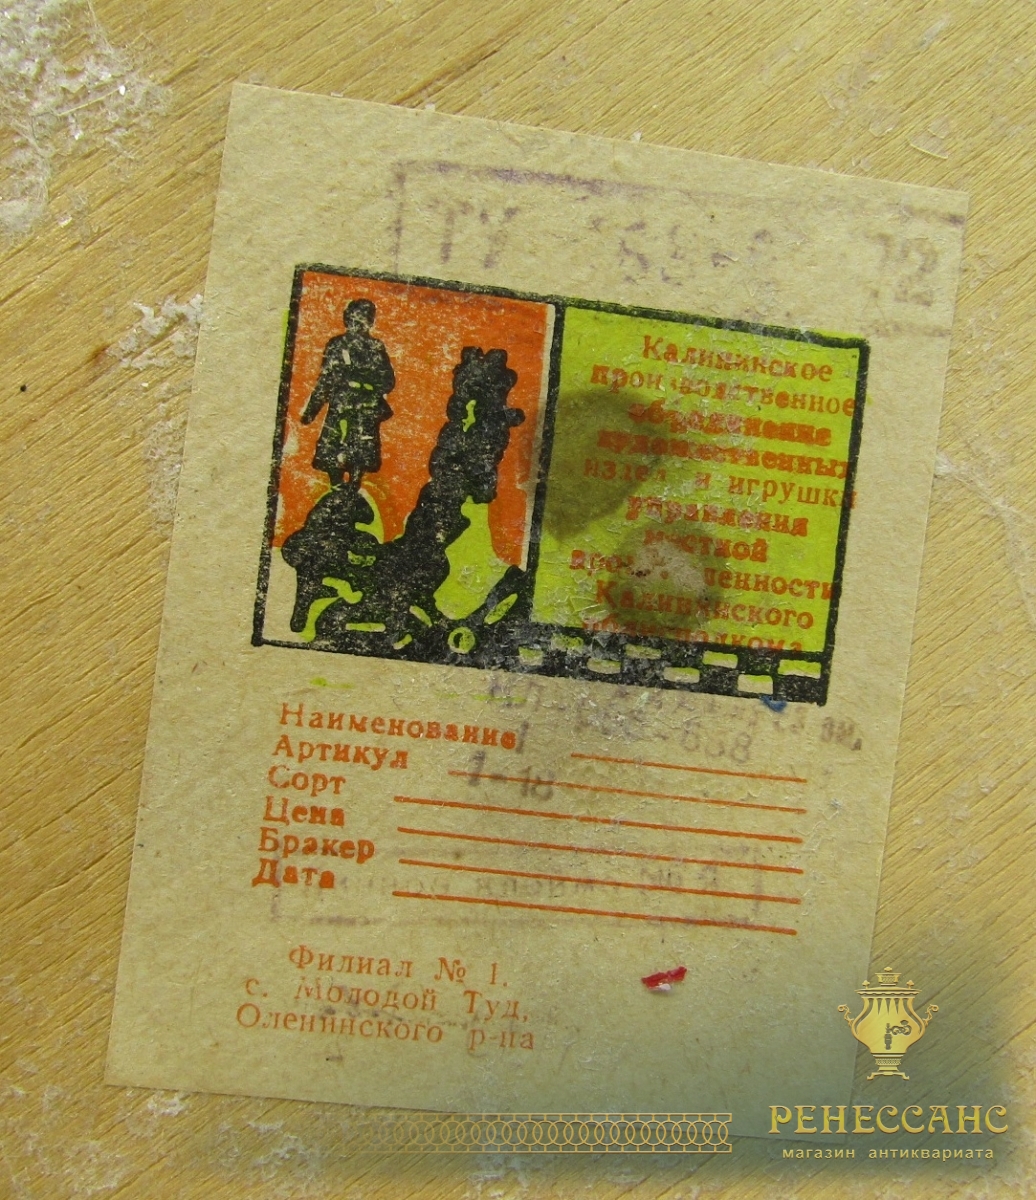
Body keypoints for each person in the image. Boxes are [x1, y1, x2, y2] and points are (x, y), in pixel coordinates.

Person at [300, 299, 395, 488]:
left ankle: (352, 488)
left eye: (363, 320)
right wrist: (311, 411)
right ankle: (336, 488)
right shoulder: (336, 345)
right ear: (347, 319)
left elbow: (388, 381)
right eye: (354, 320)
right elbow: (325, 380)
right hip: (341, 409)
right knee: (332, 456)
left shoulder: (376, 347)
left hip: (365, 413)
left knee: (359, 459)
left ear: (370, 322)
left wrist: (364, 384)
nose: (357, 326)